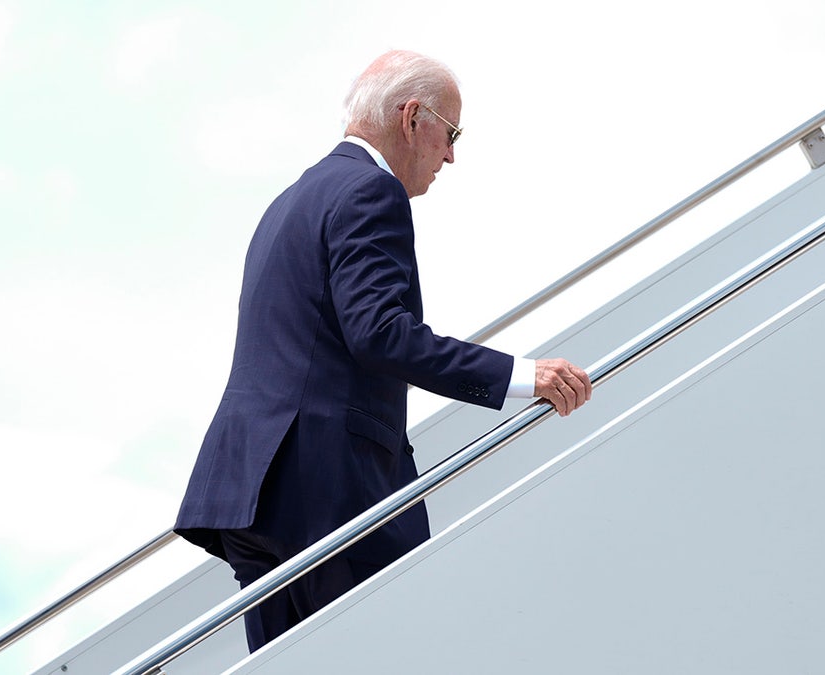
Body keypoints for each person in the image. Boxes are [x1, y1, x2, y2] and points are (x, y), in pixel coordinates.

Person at [174, 49, 592, 653]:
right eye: (451, 133)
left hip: (250, 491)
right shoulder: (370, 190)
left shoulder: (289, 202)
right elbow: (381, 332)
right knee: (388, 650)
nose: (451, 154)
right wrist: (525, 377)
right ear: (412, 116)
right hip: (326, 488)